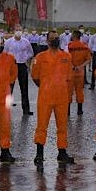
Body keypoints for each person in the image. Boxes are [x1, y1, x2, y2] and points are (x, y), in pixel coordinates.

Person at [30, 31, 75, 165]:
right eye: (52, 38)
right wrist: (46, 86)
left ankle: (62, 152)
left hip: (62, 96)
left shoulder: (66, 57)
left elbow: (69, 77)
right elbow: (35, 77)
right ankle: (39, 154)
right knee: (42, 126)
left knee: (62, 126)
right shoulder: (40, 57)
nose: (55, 40)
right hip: (45, 96)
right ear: (47, 41)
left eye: (57, 38)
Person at [3, 25, 34, 116]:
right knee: (9, 88)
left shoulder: (26, 42)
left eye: (20, 30)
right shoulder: (8, 42)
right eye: (17, 30)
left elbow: (31, 52)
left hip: (22, 65)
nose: (18, 31)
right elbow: (4, 54)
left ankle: (26, 109)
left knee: (24, 88)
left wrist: (25, 57)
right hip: (11, 66)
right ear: (13, 31)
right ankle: (6, 109)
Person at [67, 30, 91, 116]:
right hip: (80, 72)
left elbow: (66, 58)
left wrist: (73, 66)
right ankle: (79, 110)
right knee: (79, 91)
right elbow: (88, 59)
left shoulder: (69, 46)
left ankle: (68, 111)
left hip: (70, 71)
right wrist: (80, 66)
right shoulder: (85, 47)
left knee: (69, 91)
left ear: (73, 36)